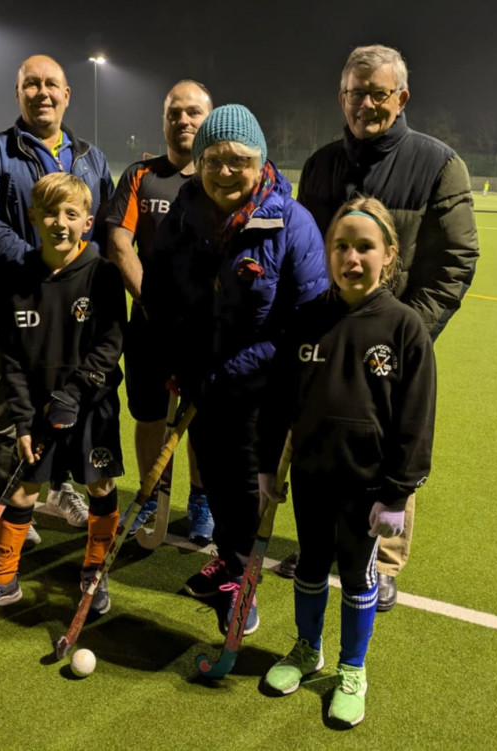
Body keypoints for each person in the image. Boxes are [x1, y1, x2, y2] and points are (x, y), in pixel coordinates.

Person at [291, 44, 477, 611]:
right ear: (341, 96)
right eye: (356, 92)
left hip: (390, 341)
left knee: (392, 444)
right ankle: (318, 546)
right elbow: (304, 253)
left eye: (379, 93)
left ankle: (386, 560)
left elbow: (455, 261)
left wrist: (406, 333)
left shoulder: (439, 163)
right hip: (326, 337)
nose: (367, 104)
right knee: (323, 437)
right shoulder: (322, 164)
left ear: (402, 98)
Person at [143, 104, 327, 636]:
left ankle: (242, 590)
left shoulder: (291, 222)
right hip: (202, 383)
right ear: (199, 163)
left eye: (239, 160)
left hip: (259, 393)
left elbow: (305, 320)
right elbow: (160, 290)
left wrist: (228, 370)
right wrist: (181, 360)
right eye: (214, 160)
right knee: (218, 481)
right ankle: (227, 565)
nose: (226, 172)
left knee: (245, 490)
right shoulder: (184, 212)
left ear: (260, 162)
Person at [258, 196, 436, 728]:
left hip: (367, 488)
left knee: (358, 575)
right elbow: (278, 403)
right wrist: (269, 464)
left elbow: (416, 420)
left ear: (388, 256)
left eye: (365, 248)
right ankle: (305, 649)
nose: (351, 259)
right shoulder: (306, 321)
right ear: (329, 252)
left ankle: (352, 668)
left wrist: (398, 493)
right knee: (310, 565)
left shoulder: (405, 328)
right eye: (341, 246)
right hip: (313, 476)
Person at [0, 173, 126, 619]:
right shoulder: (17, 278)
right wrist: (26, 420)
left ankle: (94, 570)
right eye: (50, 213)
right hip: (38, 408)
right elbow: (9, 359)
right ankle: (2, 581)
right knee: (24, 491)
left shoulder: (103, 274)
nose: (60, 223)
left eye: (71, 214)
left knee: (100, 485)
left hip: (91, 407)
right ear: (33, 218)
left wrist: (75, 391)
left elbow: (109, 344)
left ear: (88, 222)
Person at [0, 55, 115, 541]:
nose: (42, 92)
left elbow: (105, 226)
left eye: (52, 84)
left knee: (70, 401)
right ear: (18, 93)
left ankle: (59, 485)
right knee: (14, 407)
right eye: (32, 84)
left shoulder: (91, 158)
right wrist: (40, 267)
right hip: (23, 304)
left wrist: (78, 274)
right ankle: (7, 500)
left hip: (79, 313)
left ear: (67, 94)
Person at [105, 80, 214, 543]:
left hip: (204, 331)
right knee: (149, 414)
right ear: (163, 120)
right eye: (175, 113)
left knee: (203, 418)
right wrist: (151, 302)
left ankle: (202, 501)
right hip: (149, 326)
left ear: (207, 119)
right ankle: (152, 494)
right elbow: (117, 242)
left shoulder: (221, 175)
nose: (184, 120)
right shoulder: (139, 175)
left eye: (193, 113)